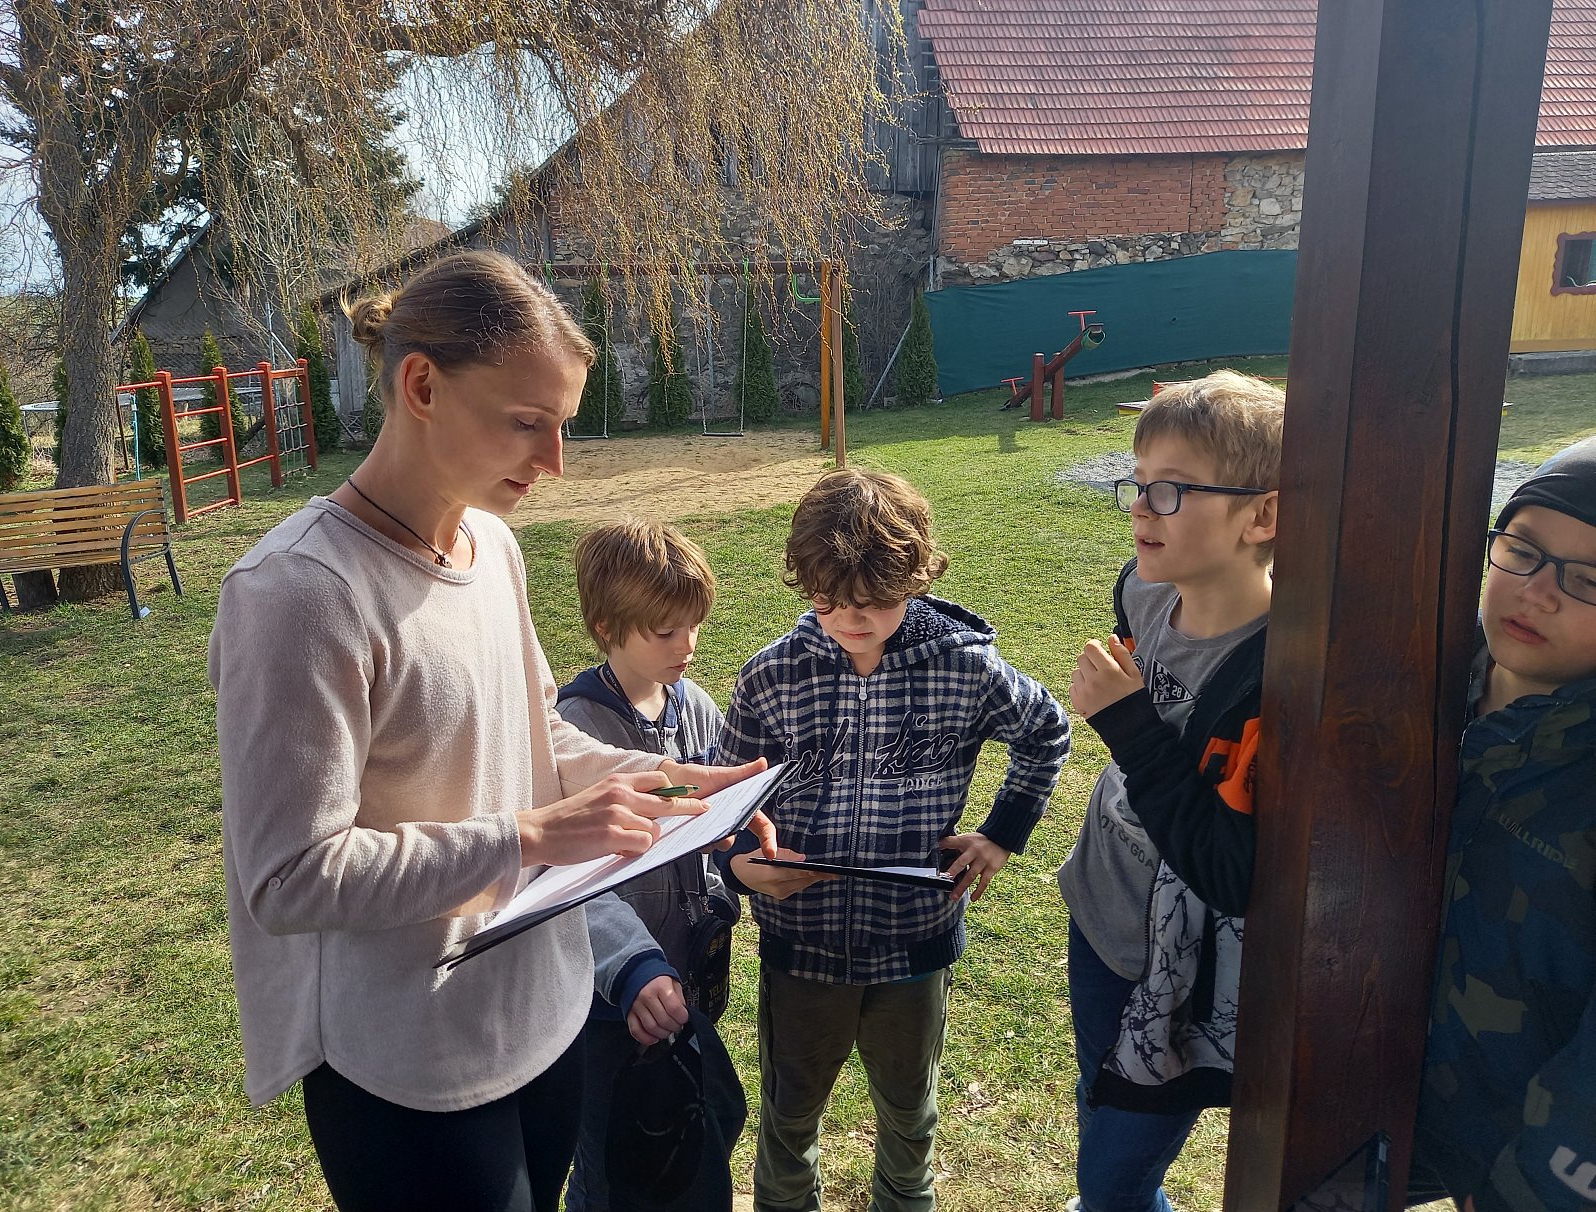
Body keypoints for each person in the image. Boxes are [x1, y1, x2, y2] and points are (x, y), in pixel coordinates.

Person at [208, 250, 769, 1212]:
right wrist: (530, 837)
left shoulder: (493, 545)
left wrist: (673, 783)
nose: (555, 461)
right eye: (526, 423)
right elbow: (290, 877)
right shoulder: (299, 594)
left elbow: (533, 734)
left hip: (545, 1020)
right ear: (422, 386)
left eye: (563, 424)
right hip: (409, 1066)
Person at [714, 467, 1072, 1212]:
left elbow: (1046, 732)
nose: (851, 618)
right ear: (805, 582)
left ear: (917, 577)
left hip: (915, 943)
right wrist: (746, 866)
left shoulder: (966, 667)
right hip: (801, 946)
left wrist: (1002, 834)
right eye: (828, 600)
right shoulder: (770, 677)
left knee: (910, 1117)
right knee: (789, 1117)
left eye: (875, 600)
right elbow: (728, 801)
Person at [1060, 371, 1284, 1212]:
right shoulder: (1143, 589)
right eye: (1138, 481)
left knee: (1112, 1178)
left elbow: (1228, 869)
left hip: (1179, 974)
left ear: (1261, 515)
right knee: (1098, 1104)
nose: (1140, 508)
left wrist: (1128, 723)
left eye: (1172, 489)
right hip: (1099, 916)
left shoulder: (1277, 675)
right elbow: (1133, 643)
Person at [1407, 438, 1596, 1212]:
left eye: (1589, 580)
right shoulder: (1414, 676)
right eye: (1522, 551)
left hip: (1513, 1149)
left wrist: (1528, 1191)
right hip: (1366, 1089)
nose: (1538, 592)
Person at [556, 518, 745, 1212]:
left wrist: (742, 858)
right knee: (613, 1167)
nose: (687, 645)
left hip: (687, 981)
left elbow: (711, 825)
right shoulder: (573, 728)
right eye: (665, 631)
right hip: (609, 1000)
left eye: (694, 625)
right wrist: (630, 966)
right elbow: (569, 878)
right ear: (606, 627)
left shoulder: (696, 708)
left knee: (696, 1131)